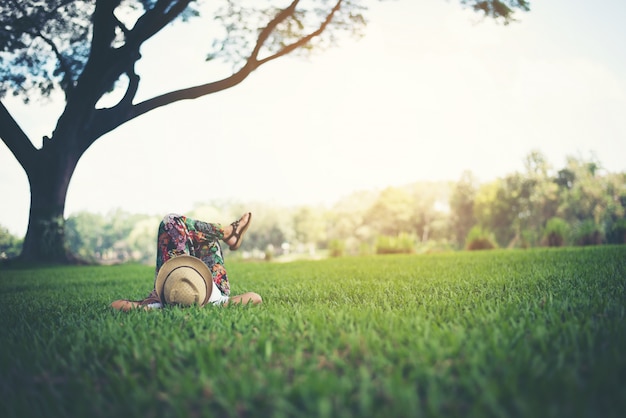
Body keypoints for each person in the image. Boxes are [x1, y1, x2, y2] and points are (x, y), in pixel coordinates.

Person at [110, 212, 262, 311]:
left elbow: (115, 305)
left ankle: (229, 233)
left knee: (175, 224)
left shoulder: (158, 304)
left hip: (205, 288)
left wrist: (151, 307)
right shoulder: (217, 301)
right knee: (173, 223)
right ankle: (228, 233)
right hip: (214, 285)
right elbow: (256, 297)